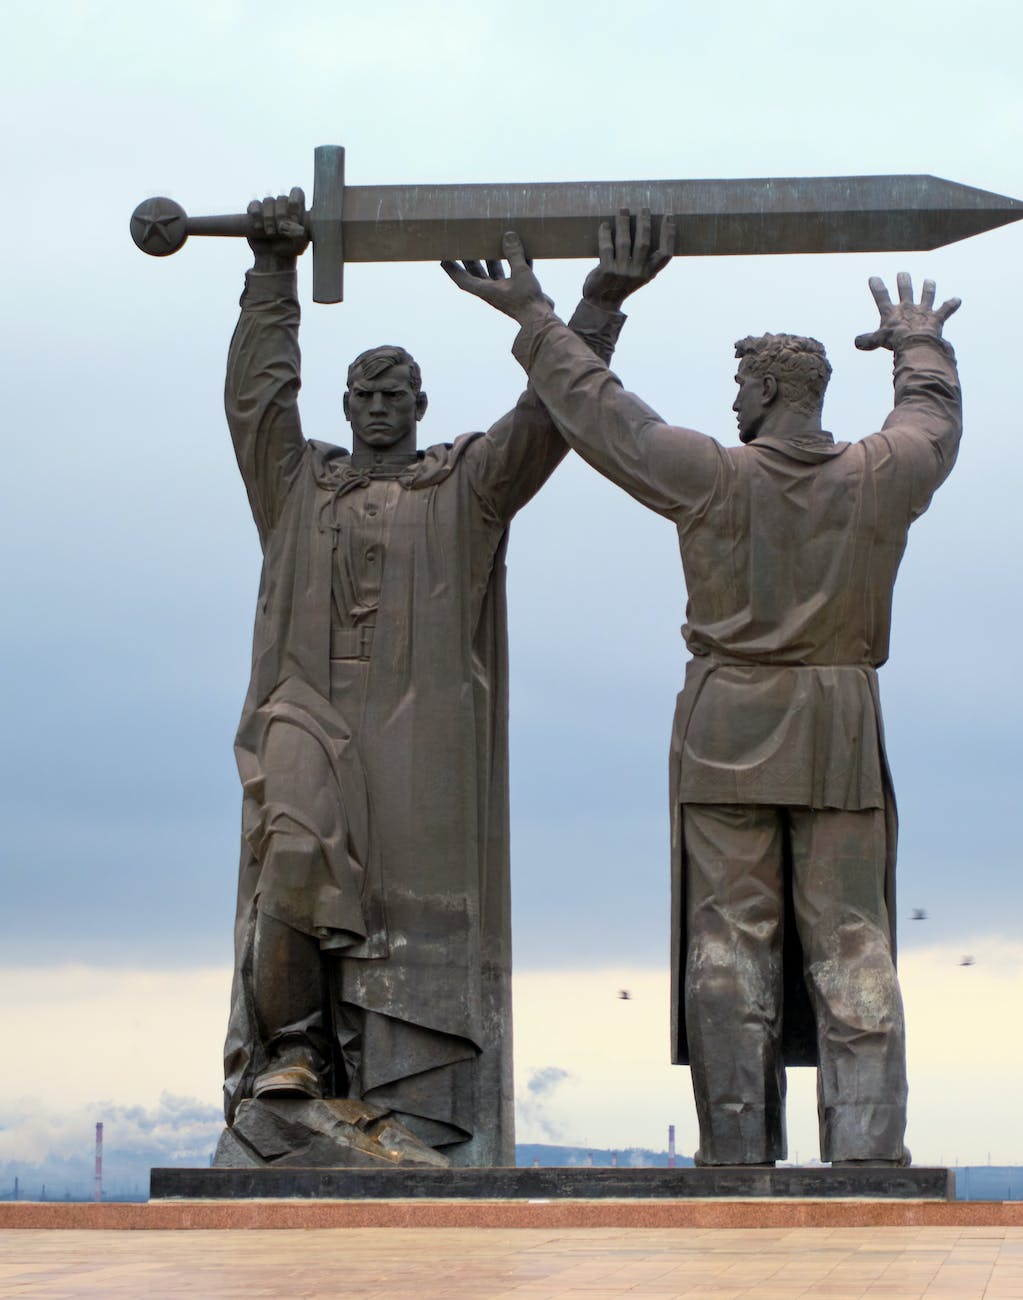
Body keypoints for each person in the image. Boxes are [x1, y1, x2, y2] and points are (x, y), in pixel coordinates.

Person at [446, 230, 961, 1166]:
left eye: (741, 389)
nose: (732, 404)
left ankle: (733, 1151)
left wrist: (536, 317)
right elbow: (932, 421)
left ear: (768, 391)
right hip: (838, 721)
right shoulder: (881, 475)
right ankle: (867, 1154)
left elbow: (602, 415)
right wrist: (918, 344)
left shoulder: (712, 475)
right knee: (853, 941)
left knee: (728, 943)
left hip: (727, 722)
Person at [219, 193, 671, 1166]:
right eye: (365, 394)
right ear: (346, 406)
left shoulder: (466, 483)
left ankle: (400, 1103)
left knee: (408, 918)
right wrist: (271, 275)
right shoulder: (296, 484)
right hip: (303, 711)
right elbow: (257, 402)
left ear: (420, 406)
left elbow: (547, 421)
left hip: (419, 738)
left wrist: (596, 307)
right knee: (290, 847)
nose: (380, 407)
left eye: (397, 394)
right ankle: (291, 1053)